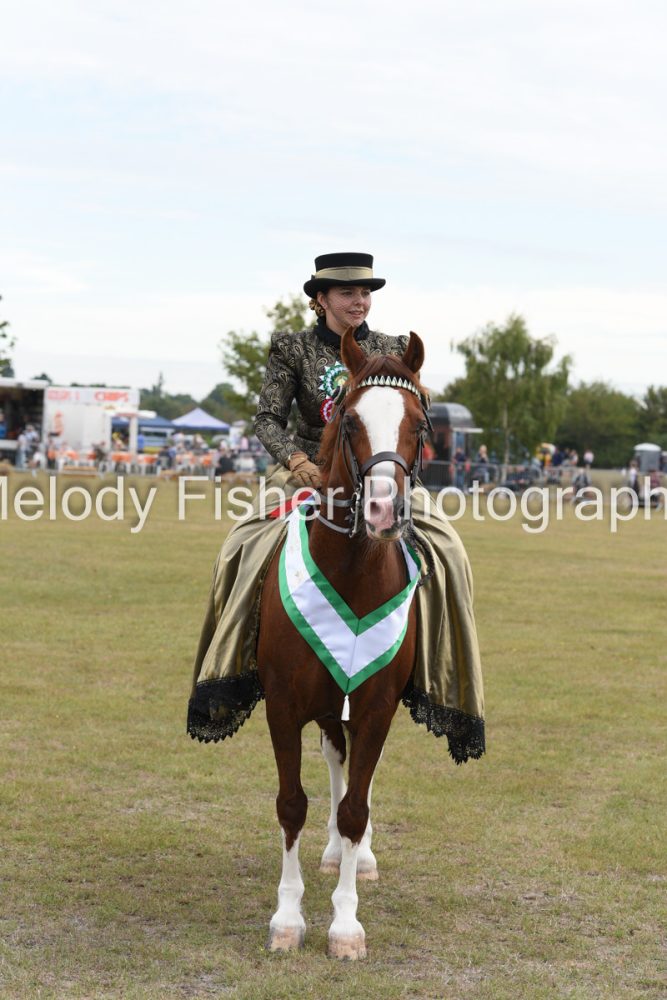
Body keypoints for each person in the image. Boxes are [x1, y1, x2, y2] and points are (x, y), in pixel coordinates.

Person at [188, 252, 485, 761]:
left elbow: (413, 410)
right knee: (241, 544)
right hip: (306, 470)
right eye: (348, 293)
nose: (359, 301)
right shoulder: (292, 348)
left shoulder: (392, 348)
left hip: (379, 471)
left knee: (451, 551)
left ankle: (437, 674)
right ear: (320, 299)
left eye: (365, 293)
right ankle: (235, 662)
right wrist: (297, 460)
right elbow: (267, 419)